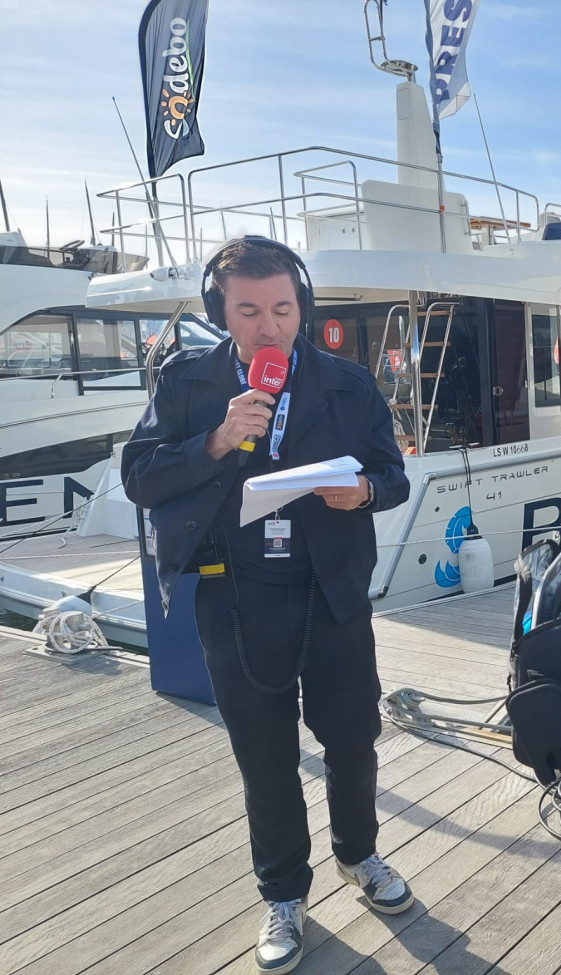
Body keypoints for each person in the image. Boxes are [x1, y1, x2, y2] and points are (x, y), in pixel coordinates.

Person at [121, 237, 412, 974]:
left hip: (333, 593)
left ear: (300, 305)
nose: (268, 325)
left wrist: (367, 492)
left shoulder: (346, 383)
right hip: (237, 597)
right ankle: (282, 893)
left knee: (353, 739)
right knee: (266, 757)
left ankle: (359, 853)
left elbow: (393, 474)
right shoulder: (188, 383)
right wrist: (217, 438)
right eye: (249, 310)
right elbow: (140, 476)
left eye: (282, 307)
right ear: (223, 310)